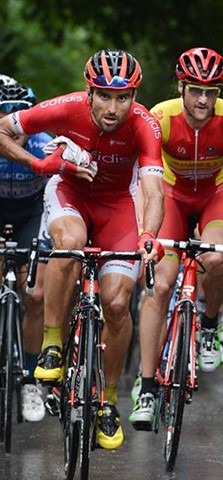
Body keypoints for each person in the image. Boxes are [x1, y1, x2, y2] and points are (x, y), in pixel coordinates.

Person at [0, 49, 165, 450]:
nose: (113, 108)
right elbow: (3, 130)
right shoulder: (66, 107)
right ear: (89, 92)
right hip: (69, 193)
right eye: (104, 96)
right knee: (70, 243)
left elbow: (153, 189)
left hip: (117, 207)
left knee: (116, 302)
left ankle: (108, 401)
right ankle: (53, 344)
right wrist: (38, 166)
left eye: (123, 97)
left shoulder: (145, 125)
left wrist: (149, 234)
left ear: (134, 96)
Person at [129, 47, 223, 430]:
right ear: (181, 86)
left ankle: (209, 326)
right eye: (196, 90)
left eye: (212, 91)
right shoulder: (161, 116)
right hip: (170, 194)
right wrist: (146, 233)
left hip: (216, 194)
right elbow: (146, 182)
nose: (204, 100)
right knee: (161, 284)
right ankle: (148, 385)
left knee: (218, 259)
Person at [0, 77, 52, 422]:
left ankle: (32, 380)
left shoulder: (44, 144)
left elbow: (58, 198)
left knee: (34, 294)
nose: (14, 122)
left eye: (21, 114)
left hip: (32, 212)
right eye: (5, 113)